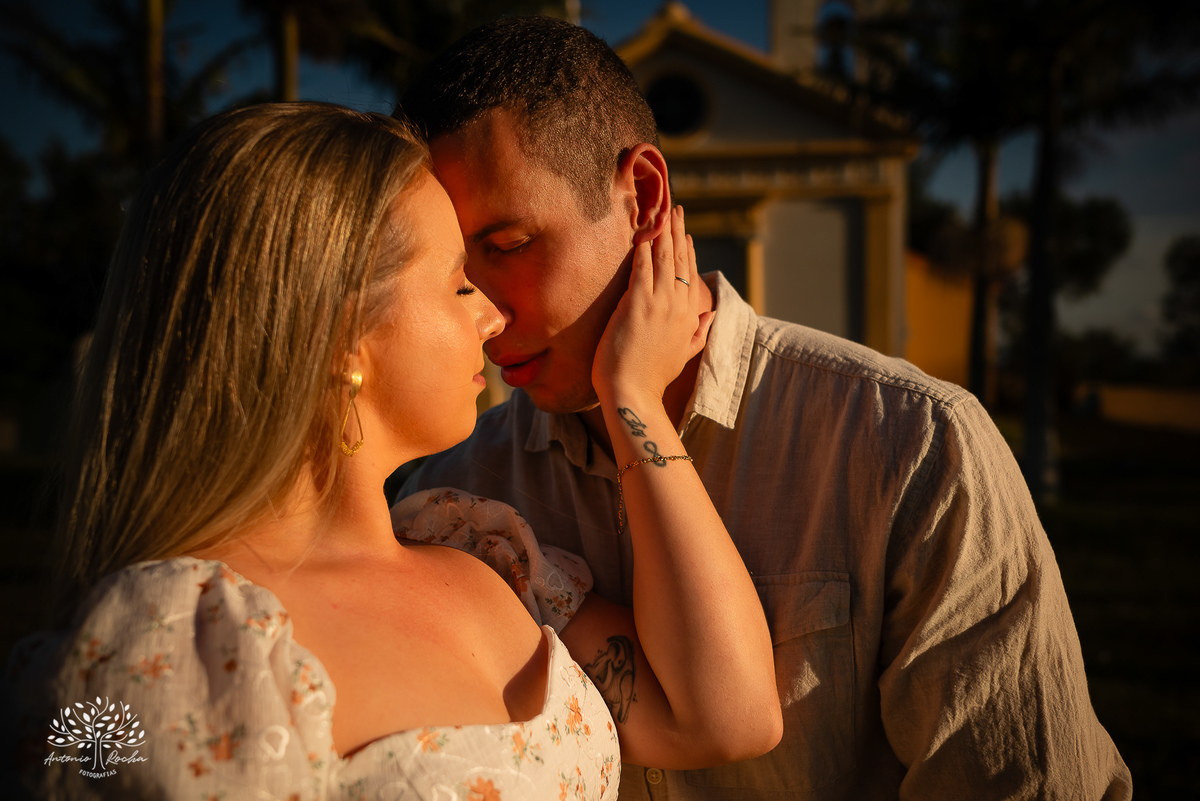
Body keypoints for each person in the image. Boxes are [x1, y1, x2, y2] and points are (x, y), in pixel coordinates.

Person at [397, 15, 1133, 800]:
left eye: (508, 246)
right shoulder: (455, 492)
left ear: (643, 196)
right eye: (453, 271)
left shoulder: (910, 447)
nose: (484, 312)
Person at [4, 102, 780, 799]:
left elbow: (730, 713)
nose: (493, 320)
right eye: (458, 284)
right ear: (344, 335)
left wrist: (633, 399)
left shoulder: (482, 551)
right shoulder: (167, 644)